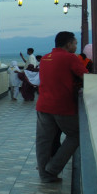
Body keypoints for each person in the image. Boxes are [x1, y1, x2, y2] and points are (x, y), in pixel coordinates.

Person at [36, 31, 86, 183]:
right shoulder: (70, 58)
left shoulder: (45, 58)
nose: (76, 46)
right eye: (75, 43)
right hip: (62, 106)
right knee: (76, 134)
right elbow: (86, 76)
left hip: (43, 105)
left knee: (43, 141)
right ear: (68, 44)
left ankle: (45, 175)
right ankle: (53, 168)